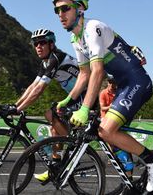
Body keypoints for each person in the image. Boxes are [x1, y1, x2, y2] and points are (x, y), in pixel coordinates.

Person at [52, 0, 153, 192]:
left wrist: (85, 108)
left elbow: (97, 71)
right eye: (57, 10)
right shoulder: (76, 38)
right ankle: (130, 182)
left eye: (65, 8)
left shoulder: (92, 28)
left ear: (80, 9)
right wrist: (69, 100)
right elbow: (84, 74)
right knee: (111, 134)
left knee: (106, 130)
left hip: (136, 82)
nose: (60, 14)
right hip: (124, 85)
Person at [13, 28, 95, 181]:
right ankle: (56, 166)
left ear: (51, 44)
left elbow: (38, 90)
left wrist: (18, 109)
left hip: (88, 96)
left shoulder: (56, 58)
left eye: (42, 43)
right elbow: (32, 86)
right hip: (76, 98)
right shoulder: (45, 62)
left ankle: (73, 145)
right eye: (35, 43)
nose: (38, 46)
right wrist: (15, 105)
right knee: (54, 128)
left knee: (50, 113)